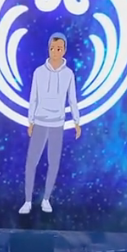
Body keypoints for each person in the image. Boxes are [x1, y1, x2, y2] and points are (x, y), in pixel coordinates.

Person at [20, 33, 82, 215]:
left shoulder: (68, 74)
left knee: (53, 163)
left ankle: (46, 199)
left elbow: (72, 99)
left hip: (57, 124)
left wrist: (77, 122)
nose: (55, 52)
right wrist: (30, 121)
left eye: (59, 49)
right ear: (49, 49)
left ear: (64, 50)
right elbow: (33, 97)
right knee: (31, 162)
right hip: (40, 122)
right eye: (52, 48)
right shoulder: (39, 72)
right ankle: (28, 201)